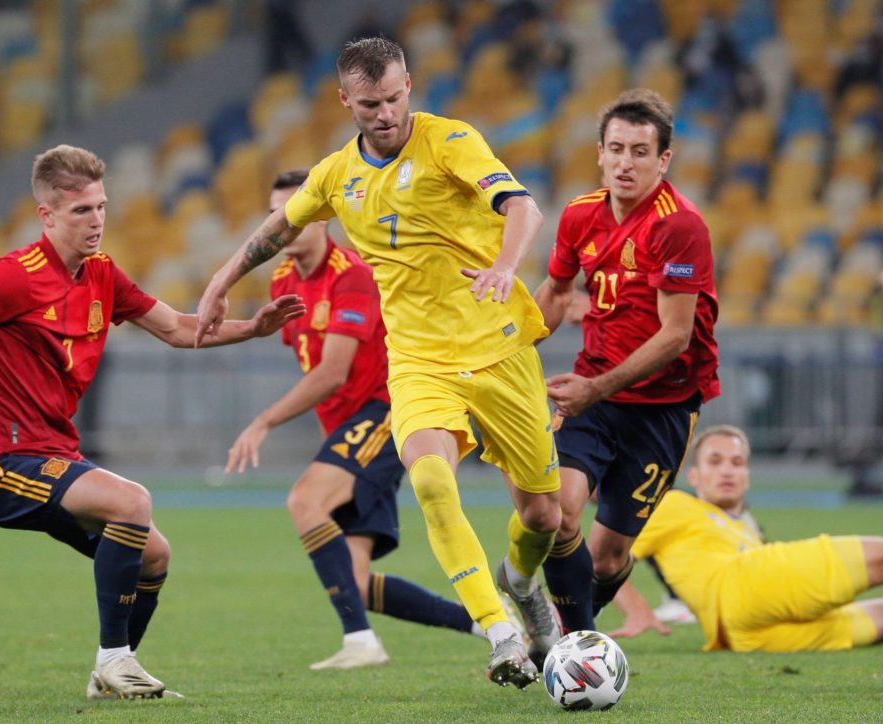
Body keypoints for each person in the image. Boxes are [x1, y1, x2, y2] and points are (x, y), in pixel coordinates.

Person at [196, 37, 563, 689]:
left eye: (395, 97)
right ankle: (500, 631)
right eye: (371, 103)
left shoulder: (451, 141)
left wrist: (506, 267)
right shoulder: (337, 175)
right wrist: (223, 279)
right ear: (346, 101)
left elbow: (522, 206)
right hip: (420, 361)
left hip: (499, 350)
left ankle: (524, 583)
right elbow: (279, 228)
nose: (386, 112)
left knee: (543, 517)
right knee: (428, 480)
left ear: (410, 87)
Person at [0, 144, 304, 700]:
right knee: (132, 501)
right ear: (47, 216)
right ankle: (114, 657)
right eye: (80, 212)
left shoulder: (103, 276)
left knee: (155, 555)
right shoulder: (13, 277)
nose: (96, 222)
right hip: (3, 464)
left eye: (101, 207)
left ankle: (111, 675)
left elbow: (180, 329)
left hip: (56, 456)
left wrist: (250, 330)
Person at [226, 169, 509, 670]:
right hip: (343, 429)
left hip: (384, 412)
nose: (285, 223)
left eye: (295, 212)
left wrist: (264, 421)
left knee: (304, 499)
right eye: (276, 214)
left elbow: (333, 372)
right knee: (354, 582)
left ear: (322, 217)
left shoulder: (351, 273)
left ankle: (359, 640)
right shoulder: (282, 279)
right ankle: (493, 623)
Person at [533, 88, 720, 638]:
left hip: (662, 408)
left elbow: (676, 336)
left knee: (609, 557)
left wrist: (595, 388)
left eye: (640, 151)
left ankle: (567, 638)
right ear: (599, 152)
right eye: (616, 148)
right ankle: (568, 645)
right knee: (559, 514)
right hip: (592, 390)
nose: (625, 162)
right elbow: (556, 292)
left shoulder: (679, 226)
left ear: (663, 160)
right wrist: (504, 349)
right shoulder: (579, 215)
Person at [609, 425, 883, 652]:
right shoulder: (675, 504)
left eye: (737, 463)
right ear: (694, 475)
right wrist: (636, 609)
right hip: (739, 585)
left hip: (741, 636)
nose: (726, 470)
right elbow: (601, 557)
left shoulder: (747, 529)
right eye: (715, 461)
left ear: (747, 477)